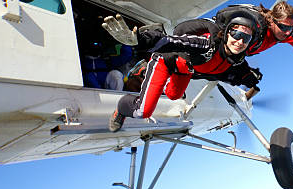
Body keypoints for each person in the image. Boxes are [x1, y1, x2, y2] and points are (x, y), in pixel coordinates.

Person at [105, 12, 260, 132]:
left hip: (184, 71)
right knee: (142, 112)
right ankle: (121, 108)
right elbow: (172, 41)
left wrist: (250, 79)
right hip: (165, 62)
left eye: (246, 38)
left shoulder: (237, 60)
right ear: (226, 33)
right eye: (236, 34)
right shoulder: (208, 45)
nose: (240, 42)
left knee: (174, 95)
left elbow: (231, 73)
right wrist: (140, 40)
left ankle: (146, 74)